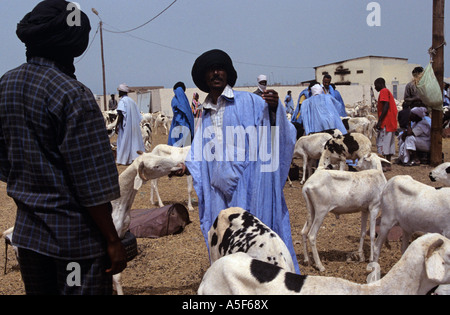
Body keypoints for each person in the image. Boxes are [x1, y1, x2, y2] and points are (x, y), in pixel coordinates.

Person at [0, 0, 126, 295]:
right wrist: (112, 239)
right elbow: (91, 184)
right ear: (72, 45)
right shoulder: (72, 94)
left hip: (29, 238)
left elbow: (5, 162)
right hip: (75, 245)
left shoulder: (6, 85)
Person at [185, 49, 300, 274]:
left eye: (220, 69)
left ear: (228, 74)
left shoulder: (250, 101)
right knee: (225, 238)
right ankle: (232, 283)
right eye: (211, 70)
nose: (216, 73)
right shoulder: (205, 113)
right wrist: (185, 166)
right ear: (204, 77)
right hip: (217, 188)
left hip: (250, 185)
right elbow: (199, 151)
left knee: (258, 239)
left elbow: (278, 133)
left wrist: (275, 108)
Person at [115, 83, 145, 165]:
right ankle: (133, 157)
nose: (118, 93)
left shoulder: (122, 101)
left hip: (125, 126)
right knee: (134, 141)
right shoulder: (132, 101)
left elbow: (120, 114)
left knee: (124, 141)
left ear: (122, 92)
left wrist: (117, 125)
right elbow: (138, 116)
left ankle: (123, 159)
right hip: (133, 126)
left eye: (119, 91)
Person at [375, 78, 398, 171]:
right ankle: (388, 165)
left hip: (385, 122)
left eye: (376, 85)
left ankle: (384, 165)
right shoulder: (388, 91)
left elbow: (386, 105)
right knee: (389, 144)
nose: (375, 87)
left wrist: (380, 120)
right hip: (391, 122)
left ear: (380, 84)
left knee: (382, 143)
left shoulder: (383, 91)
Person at [167, 82, 195, 147]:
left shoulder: (176, 100)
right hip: (181, 124)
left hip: (178, 124)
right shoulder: (182, 100)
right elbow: (186, 112)